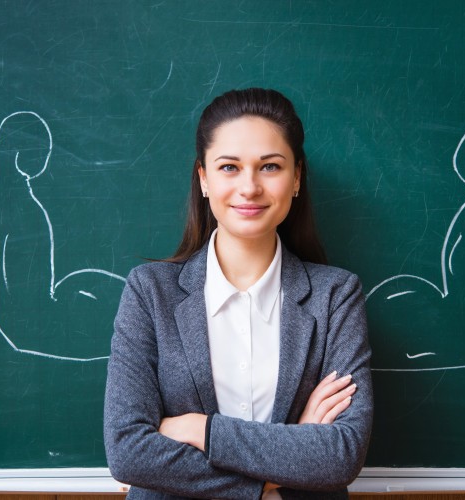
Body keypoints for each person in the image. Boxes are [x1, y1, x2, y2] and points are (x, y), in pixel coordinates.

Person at [104, 88, 373, 499]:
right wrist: (275, 469)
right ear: (204, 179)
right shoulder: (149, 292)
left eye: (270, 167)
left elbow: (342, 455)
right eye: (229, 167)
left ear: (297, 177)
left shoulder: (335, 295)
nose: (249, 187)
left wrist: (201, 429)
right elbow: (128, 453)